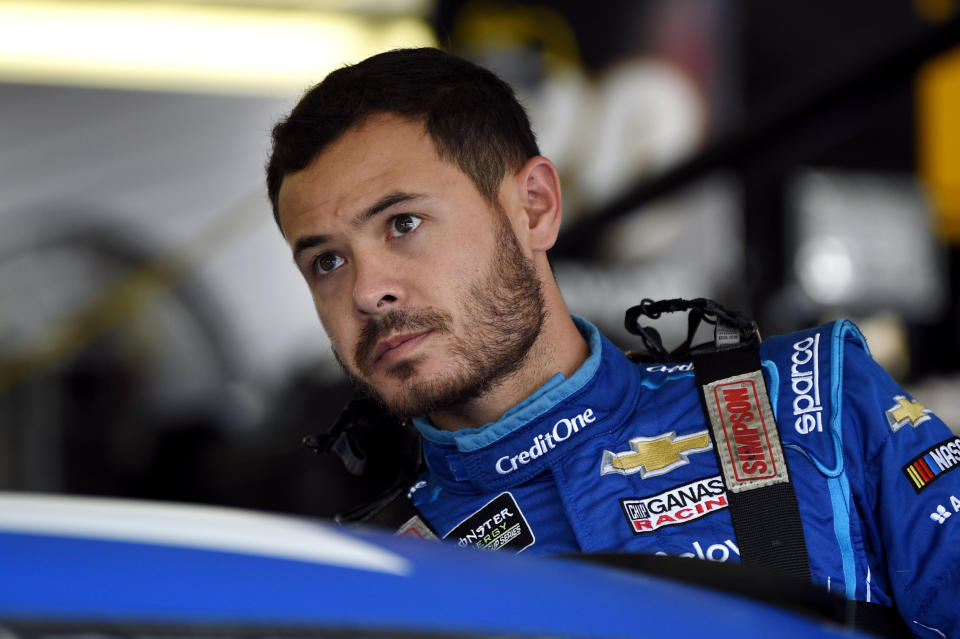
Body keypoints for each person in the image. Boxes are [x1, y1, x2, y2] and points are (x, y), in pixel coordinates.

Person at [266, 47, 959, 637]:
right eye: (326, 260)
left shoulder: (811, 401)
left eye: (403, 224)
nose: (364, 290)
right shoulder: (374, 581)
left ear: (533, 207)